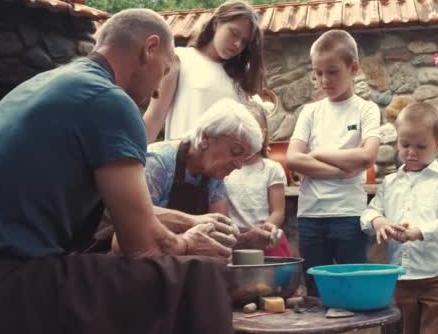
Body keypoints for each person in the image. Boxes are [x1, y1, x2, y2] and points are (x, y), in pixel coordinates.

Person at [0, 9, 236, 334]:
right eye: (165, 71)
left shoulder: (44, 83)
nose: (158, 91)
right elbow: (142, 248)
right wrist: (186, 244)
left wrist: (189, 223)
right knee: (197, 275)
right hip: (4, 283)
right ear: (149, 48)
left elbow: (127, 215)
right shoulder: (110, 100)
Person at [110, 98, 279, 252]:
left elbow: (219, 238)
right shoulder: (158, 162)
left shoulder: (215, 176)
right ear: (206, 138)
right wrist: (191, 221)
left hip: (176, 265)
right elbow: (128, 229)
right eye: (236, 151)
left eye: (244, 158)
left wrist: (246, 240)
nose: (239, 165)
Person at [286, 30, 381, 296]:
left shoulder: (366, 109)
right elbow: (293, 158)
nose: (324, 80)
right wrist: (342, 171)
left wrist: (314, 155)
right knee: (316, 293)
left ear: (353, 68)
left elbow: (367, 157)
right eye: (318, 73)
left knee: (354, 290)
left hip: (349, 215)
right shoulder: (310, 112)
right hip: (310, 217)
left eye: (332, 72)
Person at [360, 102, 438, 334]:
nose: (411, 151)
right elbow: (369, 212)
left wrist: (419, 232)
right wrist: (378, 222)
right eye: (404, 144)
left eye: (420, 146)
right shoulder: (390, 183)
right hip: (401, 280)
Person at [143, 0, 265, 143]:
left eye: (245, 41)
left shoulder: (241, 75)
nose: (238, 44)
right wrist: (137, 159)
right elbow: (155, 116)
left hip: (230, 164)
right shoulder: (181, 59)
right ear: (216, 24)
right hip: (182, 161)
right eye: (234, 33)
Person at [224, 103, 293, 257]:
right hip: (234, 241)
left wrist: (264, 231)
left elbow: (278, 211)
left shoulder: (272, 169)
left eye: (250, 133)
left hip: (266, 239)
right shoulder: (225, 169)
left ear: (262, 134)